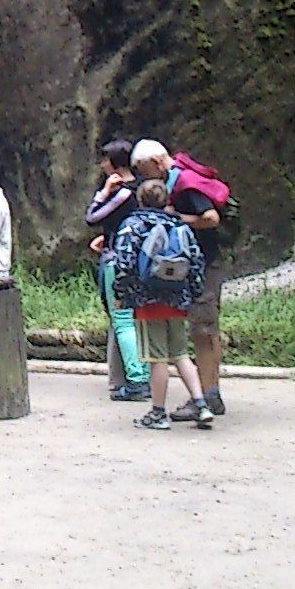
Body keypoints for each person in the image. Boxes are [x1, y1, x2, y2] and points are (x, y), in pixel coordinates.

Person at [110, 153, 214, 431]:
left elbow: (124, 262)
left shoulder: (133, 225)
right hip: (178, 299)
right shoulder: (180, 226)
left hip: (148, 300)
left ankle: (157, 413)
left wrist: (122, 293)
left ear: (140, 200)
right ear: (167, 201)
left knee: (157, 359)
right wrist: (193, 293)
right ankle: (201, 404)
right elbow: (196, 261)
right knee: (180, 354)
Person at [141, 138, 229, 417]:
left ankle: (207, 396)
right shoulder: (178, 178)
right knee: (204, 328)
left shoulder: (185, 183)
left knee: (203, 328)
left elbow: (211, 218)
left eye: (144, 170)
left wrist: (176, 216)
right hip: (197, 265)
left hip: (207, 264)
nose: (145, 178)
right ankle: (210, 393)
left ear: (156, 162)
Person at [86, 141, 151, 401]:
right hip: (138, 259)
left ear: (115, 163)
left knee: (122, 319)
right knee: (136, 319)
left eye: (105, 160)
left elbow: (92, 217)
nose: (102, 165)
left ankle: (137, 380)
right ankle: (142, 374)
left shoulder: (123, 192)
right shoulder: (143, 188)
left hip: (118, 260)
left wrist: (103, 192)